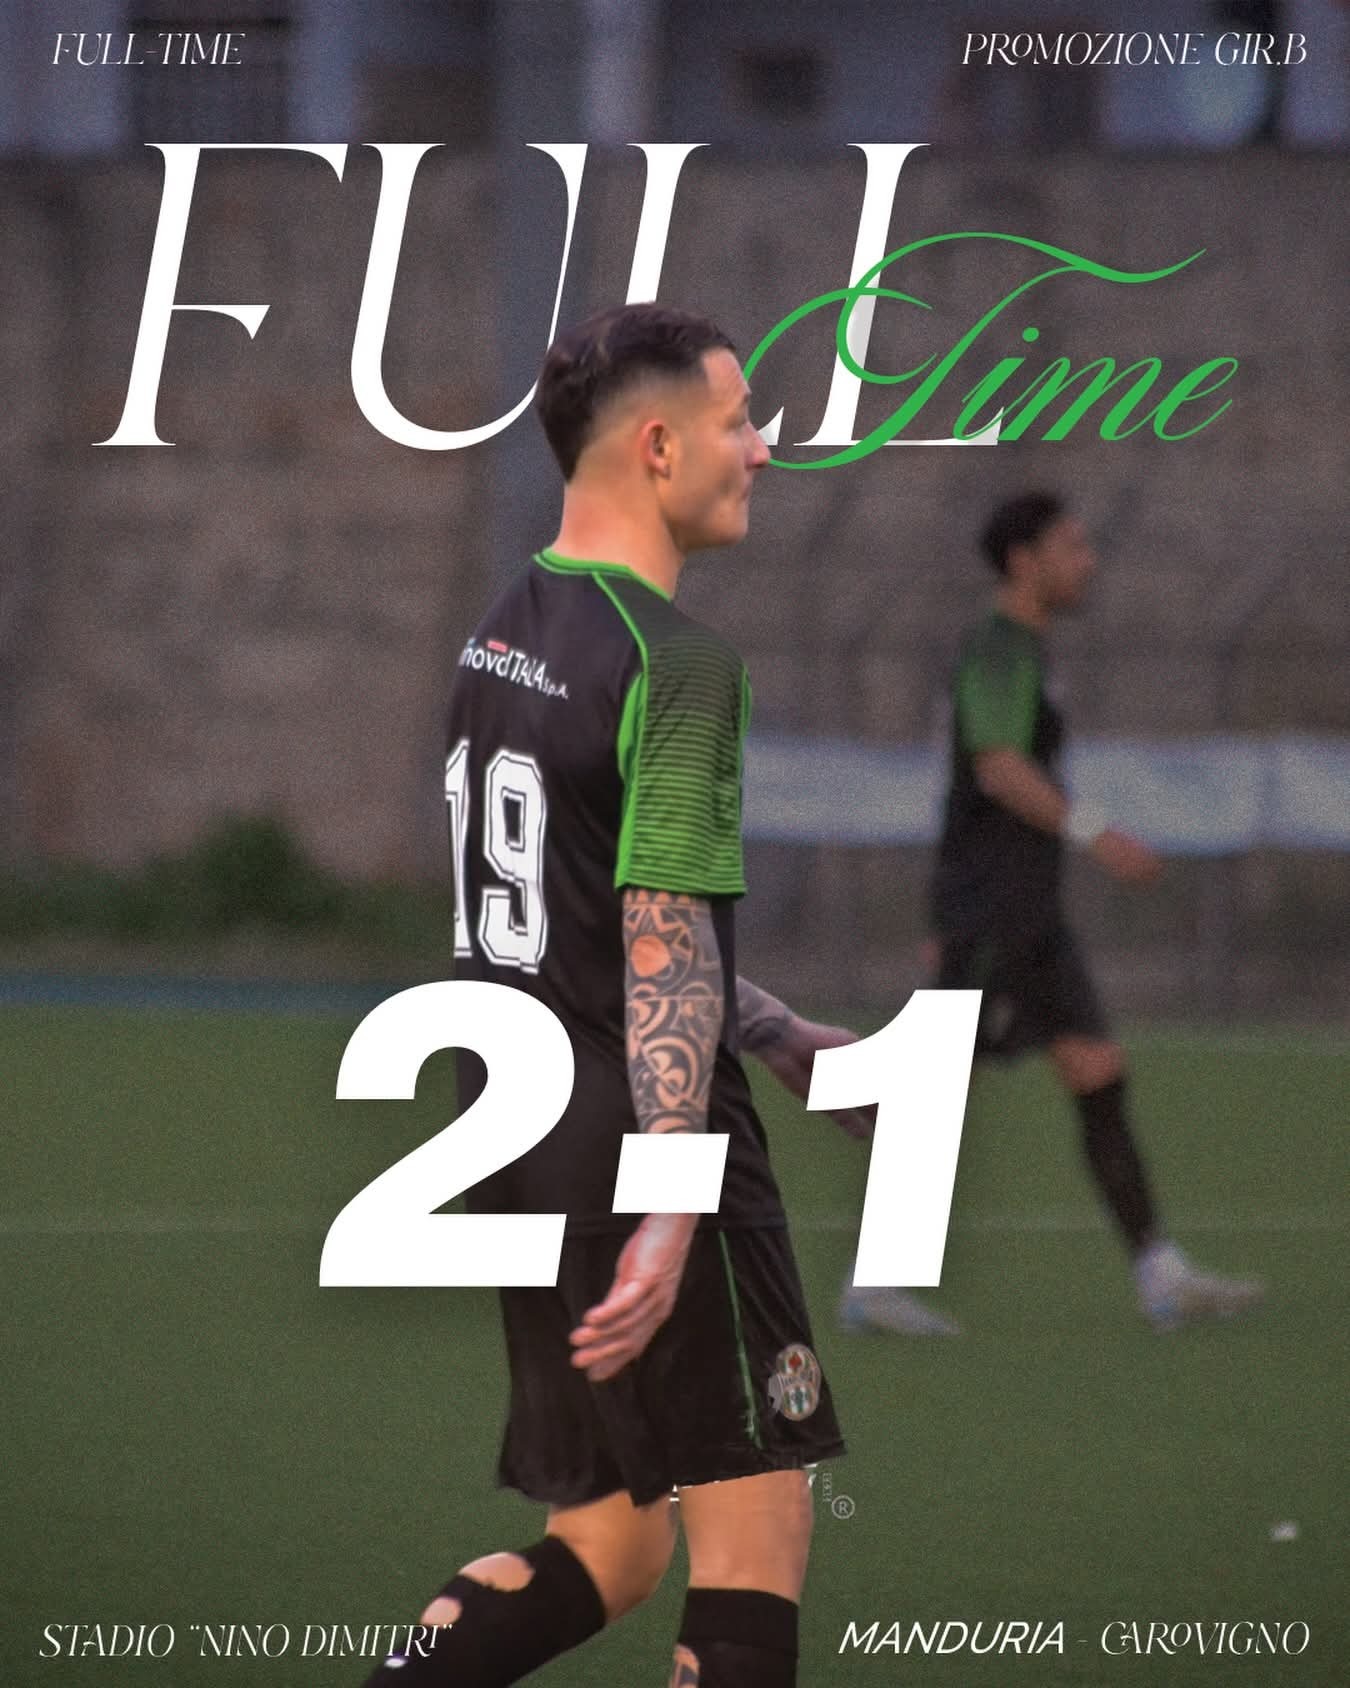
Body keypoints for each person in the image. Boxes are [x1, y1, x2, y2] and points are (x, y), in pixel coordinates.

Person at [365, 304, 866, 1688]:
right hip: (640, 1134)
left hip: (514, 1124)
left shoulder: (502, 632)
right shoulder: (680, 664)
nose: (761, 449)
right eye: (737, 422)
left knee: (609, 1540)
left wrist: (777, 1032)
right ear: (657, 446)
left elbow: (593, 916)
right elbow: (656, 937)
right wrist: (672, 1203)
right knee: (752, 1536)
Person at [841, 490, 1263, 1338]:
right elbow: (998, 766)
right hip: (990, 913)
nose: (1087, 561)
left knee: (1096, 1069)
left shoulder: (1029, 649)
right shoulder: (997, 649)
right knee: (941, 1086)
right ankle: (874, 1284)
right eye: (1071, 546)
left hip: (1027, 913)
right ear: (1023, 560)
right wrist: (1100, 835)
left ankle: (1160, 1274)